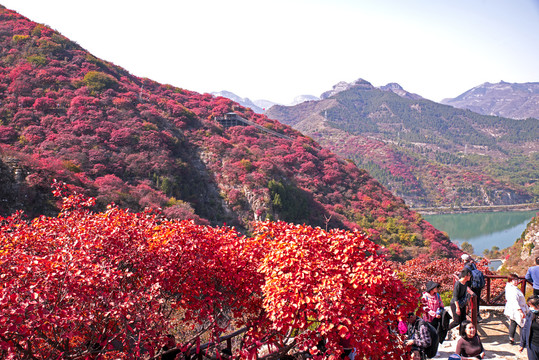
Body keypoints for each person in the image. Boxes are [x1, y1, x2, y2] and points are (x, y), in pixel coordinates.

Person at [504, 273, 528, 345]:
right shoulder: (513, 290)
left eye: (517, 280)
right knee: (522, 324)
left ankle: (511, 339)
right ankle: (523, 341)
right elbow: (515, 301)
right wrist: (520, 311)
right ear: (511, 281)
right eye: (515, 280)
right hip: (517, 308)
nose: (517, 282)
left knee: (513, 323)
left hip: (512, 308)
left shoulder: (509, 287)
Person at [462, 254, 484, 320]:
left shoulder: (466, 266)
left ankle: (472, 316)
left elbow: (464, 275)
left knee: (470, 300)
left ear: (463, 260)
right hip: (478, 285)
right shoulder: (473, 264)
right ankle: (477, 316)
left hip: (471, 286)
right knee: (476, 300)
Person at [520, 295, 539, 359]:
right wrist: (522, 343)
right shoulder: (531, 313)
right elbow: (525, 328)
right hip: (532, 345)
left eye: (531, 306)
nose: (530, 308)